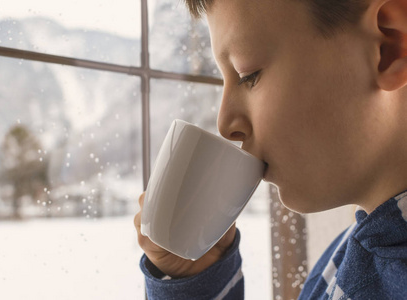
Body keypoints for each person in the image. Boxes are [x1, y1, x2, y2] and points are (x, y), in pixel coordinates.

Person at [133, 0, 407, 298]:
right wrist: (193, 279)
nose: (225, 123)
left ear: (387, 48)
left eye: (248, 75)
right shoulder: (351, 255)